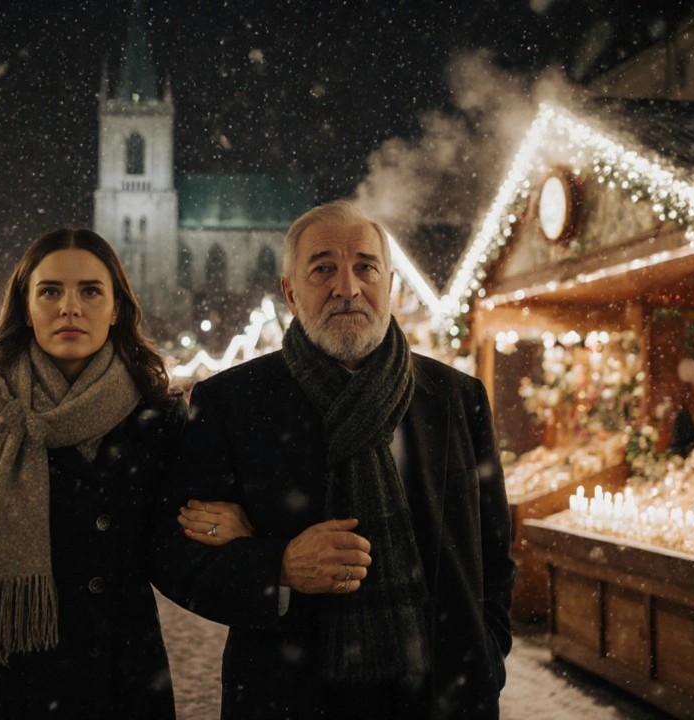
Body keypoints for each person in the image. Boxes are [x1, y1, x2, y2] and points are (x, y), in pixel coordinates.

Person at [0, 228, 248, 719]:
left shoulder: (157, 420)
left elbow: (177, 552)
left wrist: (238, 532)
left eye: (90, 291)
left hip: (116, 684)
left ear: (116, 309)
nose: (70, 307)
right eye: (50, 291)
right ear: (25, 307)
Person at [162, 201, 516, 720]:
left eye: (365, 267)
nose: (346, 288)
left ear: (389, 284)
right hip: (292, 696)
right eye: (323, 268)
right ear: (290, 291)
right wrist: (278, 565)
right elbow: (177, 556)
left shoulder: (456, 398)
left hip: (440, 694)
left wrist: (486, 654)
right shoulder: (232, 403)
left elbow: (492, 553)